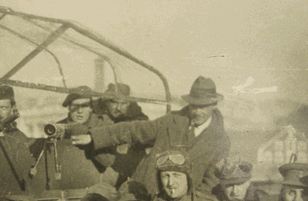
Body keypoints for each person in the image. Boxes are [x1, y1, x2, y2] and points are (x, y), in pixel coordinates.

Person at [71, 76, 230, 193]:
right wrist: (94, 137)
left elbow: (210, 182)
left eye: (203, 107)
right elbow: (134, 130)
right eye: (194, 106)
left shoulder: (221, 142)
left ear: (214, 105)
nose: (197, 112)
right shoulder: (171, 122)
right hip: (147, 194)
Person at [95, 83, 149, 182]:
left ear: (129, 104)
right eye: (114, 102)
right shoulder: (96, 115)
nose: (119, 108)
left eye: (123, 103)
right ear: (106, 102)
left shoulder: (138, 119)